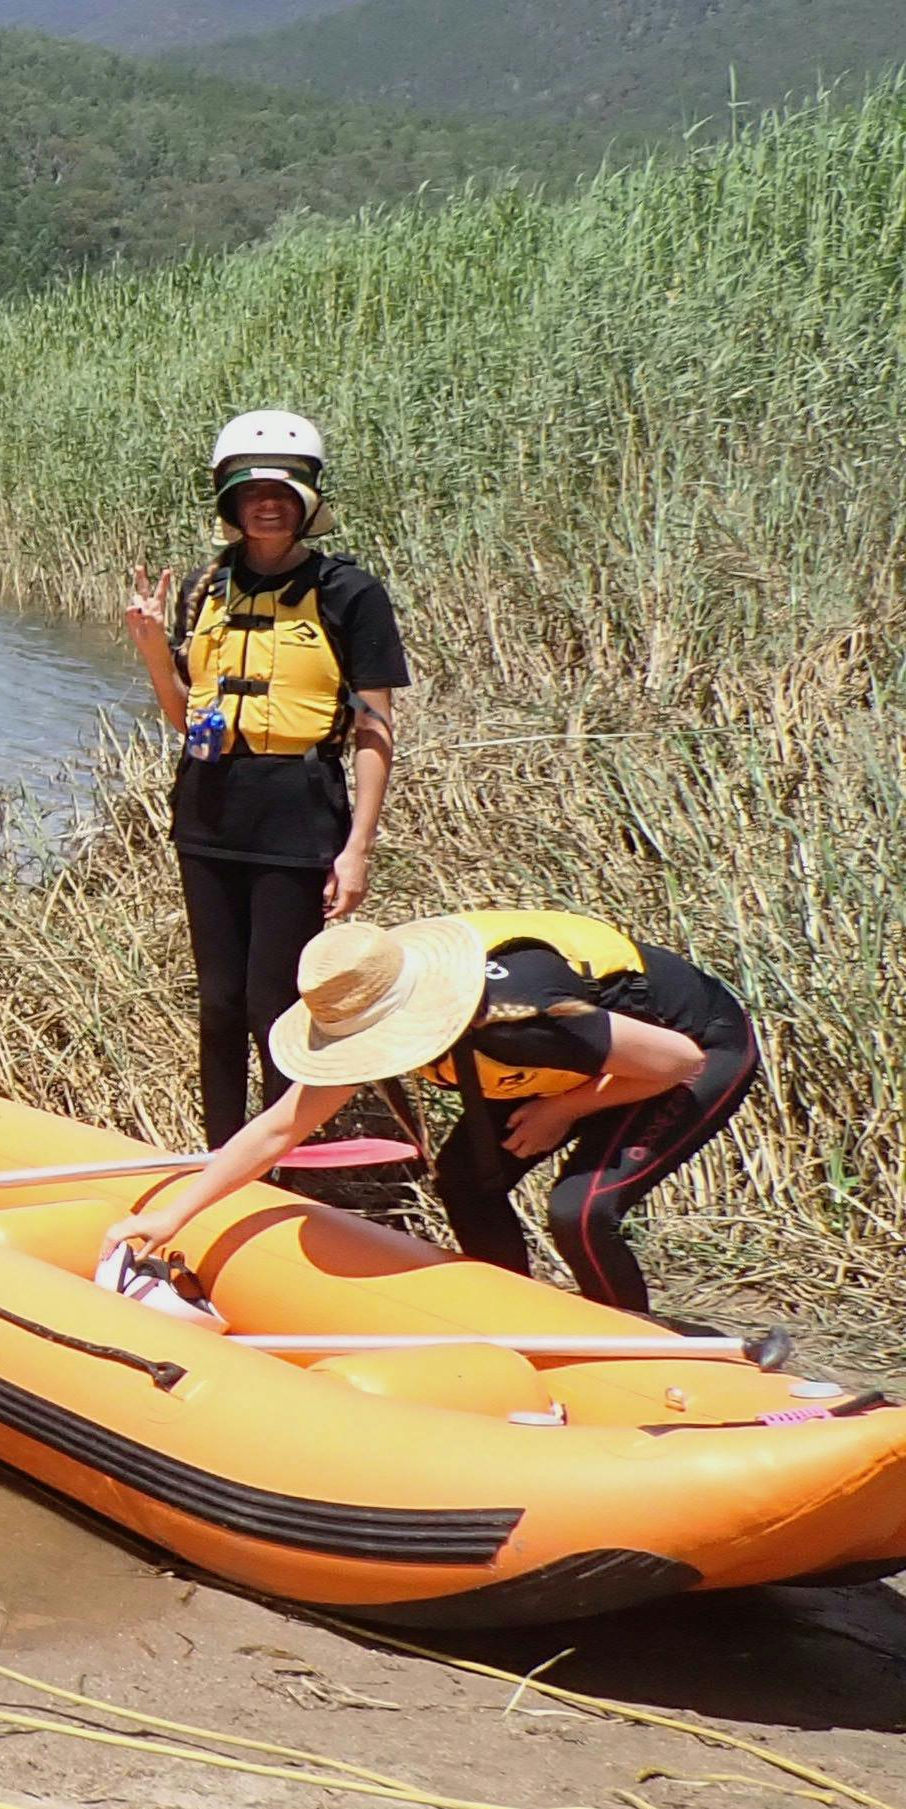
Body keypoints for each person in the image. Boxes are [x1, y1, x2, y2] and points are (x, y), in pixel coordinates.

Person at [106, 909, 760, 1317]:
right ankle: (518, 1321)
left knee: (580, 1209)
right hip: (582, 1061)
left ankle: (633, 1349)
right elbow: (280, 1127)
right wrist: (171, 1215)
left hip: (691, 1045)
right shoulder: (370, 1007)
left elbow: (680, 1062)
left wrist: (561, 1109)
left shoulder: (520, 1022)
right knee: (467, 1184)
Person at [123, 409, 409, 1144]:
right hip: (210, 810)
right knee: (217, 1003)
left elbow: (375, 731)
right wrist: (155, 648)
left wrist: (358, 850)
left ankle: (281, 1157)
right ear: (229, 501)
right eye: (251, 491)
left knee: (272, 1002)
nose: (268, 503)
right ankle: (220, 1155)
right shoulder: (203, 590)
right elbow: (187, 718)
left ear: (309, 498)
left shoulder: (351, 594)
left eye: (285, 489)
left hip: (299, 814)